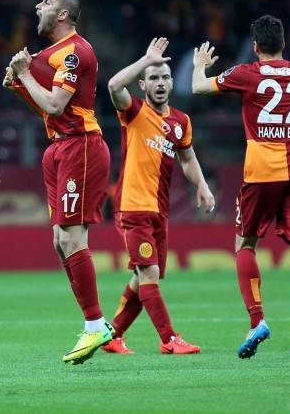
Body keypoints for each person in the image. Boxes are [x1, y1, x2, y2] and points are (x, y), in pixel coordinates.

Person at [192, 15, 290, 361]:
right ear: (284, 43)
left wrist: (199, 64)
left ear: (255, 47)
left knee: (245, 244)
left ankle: (257, 321)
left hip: (262, 173)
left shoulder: (246, 73)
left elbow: (198, 88)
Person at [4, 0, 112, 365]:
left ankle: (95, 324)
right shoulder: (50, 55)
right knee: (59, 241)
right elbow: (47, 109)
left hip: (81, 146)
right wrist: (19, 85)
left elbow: (54, 104)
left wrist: (24, 75)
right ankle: (94, 323)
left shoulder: (75, 52)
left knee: (70, 236)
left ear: (63, 14)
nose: (38, 6)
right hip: (59, 146)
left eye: (47, 3)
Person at [102, 37, 215, 354]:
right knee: (148, 273)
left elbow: (188, 159)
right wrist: (146, 59)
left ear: (172, 83)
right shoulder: (134, 112)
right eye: (153, 77)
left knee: (142, 277)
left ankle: (112, 336)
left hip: (159, 211)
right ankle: (168, 339)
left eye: (165, 77)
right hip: (132, 207)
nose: (160, 82)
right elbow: (113, 85)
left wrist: (202, 186)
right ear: (143, 85)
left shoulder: (181, 122)